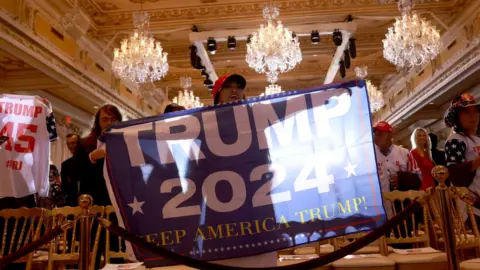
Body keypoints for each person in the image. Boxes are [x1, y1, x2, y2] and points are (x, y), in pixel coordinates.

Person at [210, 74, 277, 267]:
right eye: (228, 87)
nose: (234, 90)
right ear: (217, 94)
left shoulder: (255, 118)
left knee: (261, 256)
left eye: (239, 87)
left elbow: (286, 110)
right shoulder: (204, 124)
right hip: (221, 205)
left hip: (257, 200)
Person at [73, 104, 124, 268]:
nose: (109, 122)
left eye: (113, 119)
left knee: (117, 251)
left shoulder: (125, 142)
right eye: (104, 119)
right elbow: (75, 172)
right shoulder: (85, 143)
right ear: (98, 121)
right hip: (93, 204)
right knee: (91, 253)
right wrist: (92, 158)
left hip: (116, 203)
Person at [444, 93, 480, 224]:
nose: (473, 116)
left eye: (475, 112)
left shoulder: (478, 139)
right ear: (457, 117)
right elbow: (455, 176)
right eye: (466, 112)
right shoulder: (456, 140)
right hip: (472, 207)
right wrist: (477, 162)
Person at [373, 121, 421, 193]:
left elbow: (418, 178)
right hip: (381, 200)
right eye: (375, 134)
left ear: (390, 135)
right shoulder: (370, 156)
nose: (375, 137)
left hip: (403, 200)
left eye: (380, 134)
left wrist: (401, 179)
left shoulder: (405, 153)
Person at [61, 133, 81, 206]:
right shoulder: (65, 165)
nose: (70, 146)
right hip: (71, 205)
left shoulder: (90, 160)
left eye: (73, 143)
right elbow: (64, 188)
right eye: (68, 144)